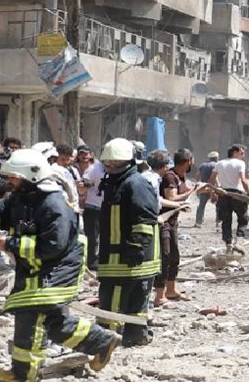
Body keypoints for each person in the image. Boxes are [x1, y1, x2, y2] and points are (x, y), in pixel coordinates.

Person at [0, 148, 122, 380]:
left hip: (56, 273)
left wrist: (8, 244)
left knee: (30, 319)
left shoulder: (53, 204)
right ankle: (102, 341)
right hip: (38, 271)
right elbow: (4, 212)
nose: (9, 182)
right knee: (54, 323)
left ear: (30, 175)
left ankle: (23, 374)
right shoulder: (22, 197)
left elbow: (51, 246)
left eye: (13, 177)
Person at [95, 138, 160, 346]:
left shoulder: (136, 183)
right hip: (116, 256)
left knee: (121, 297)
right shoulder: (115, 183)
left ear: (130, 162)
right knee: (123, 296)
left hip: (130, 257)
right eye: (108, 164)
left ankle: (111, 338)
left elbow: (145, 218)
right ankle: (133, 336)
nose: (112, 168)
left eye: (117, 164)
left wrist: (136, 246)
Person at [151, 150, 193, 307]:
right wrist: (191, 193)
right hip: (163, 222)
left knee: (175, 256)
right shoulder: (170, 176)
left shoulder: (180, 176)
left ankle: (171, 290)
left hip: (173, 222)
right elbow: (171, 198)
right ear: (189, 160)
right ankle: (159, 295)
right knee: (165, 256)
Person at [208, 144, 249, 252]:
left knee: (226, 220)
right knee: (243, 218)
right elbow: (242, 179)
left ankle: (228, 243)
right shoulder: (240, 163)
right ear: (234, 152)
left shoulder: (220, 163)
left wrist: (213, 193)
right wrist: (248, 193)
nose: (243, 155)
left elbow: (211, 180)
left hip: (223, 194)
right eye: (241, 153)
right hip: (237, 194)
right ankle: (239, 239)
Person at [80, 149, 106, 272]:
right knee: (92, 237)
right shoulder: (94, 168)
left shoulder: (114, 168)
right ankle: (91, 261)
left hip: (106, 207)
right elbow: (84, 185)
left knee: (104, 237)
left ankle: (101, 258)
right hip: (93, 207)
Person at [193, 151, 219, 227]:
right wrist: (217, 187)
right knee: (218, 205)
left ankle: (198, 222)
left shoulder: (203, 165)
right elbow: (216, 177)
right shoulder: (217, 165)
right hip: (214, 188)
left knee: (201, 205)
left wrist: (198, 183)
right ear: (217, 158)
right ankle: (218, 221)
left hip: (204, 188)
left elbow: (197, 175)